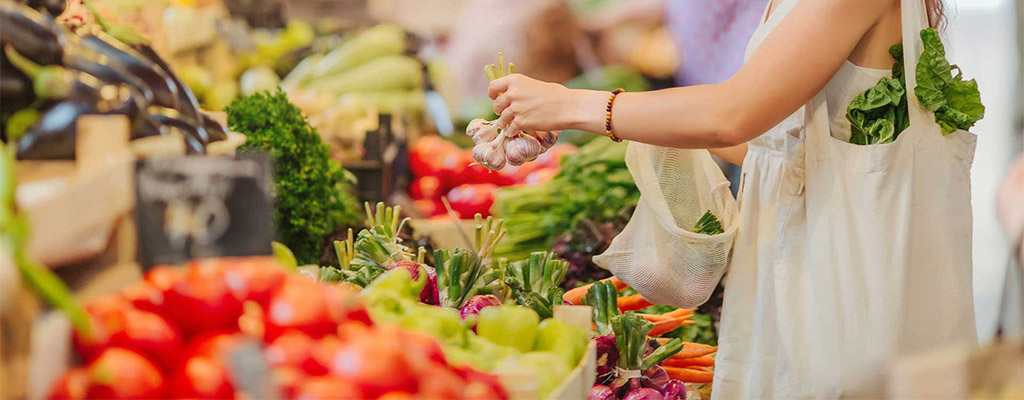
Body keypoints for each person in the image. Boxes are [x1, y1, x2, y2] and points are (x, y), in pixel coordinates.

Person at [487, 0, 974, 398]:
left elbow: (734, 115)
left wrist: (579, 104)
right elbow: (768, 144)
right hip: (797, 270)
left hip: (841, 284)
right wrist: (605, 117)